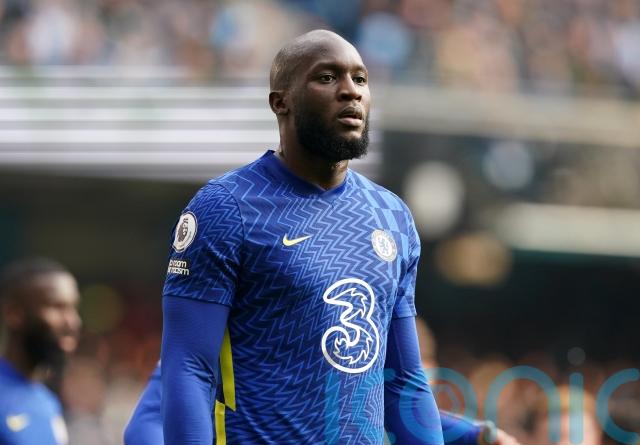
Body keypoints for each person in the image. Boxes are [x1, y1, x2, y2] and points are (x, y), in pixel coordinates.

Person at [132, 28, 484, 444]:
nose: (351, 91)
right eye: (327, 77)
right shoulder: (226, 208)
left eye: (360, 78)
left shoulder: (392, 217)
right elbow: (189, 367)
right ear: (280, 102)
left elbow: (404, 382)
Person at [0, 258, 82, 445]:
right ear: (13, 313)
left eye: (73, 308)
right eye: (57, 307)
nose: (72, 322)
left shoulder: (46, 402)